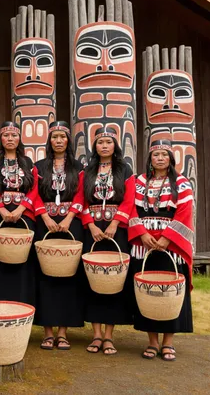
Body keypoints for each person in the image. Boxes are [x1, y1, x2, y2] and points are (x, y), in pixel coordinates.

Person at [129, 139, 194, 361]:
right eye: (155, 155)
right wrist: (142, 234)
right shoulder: (139, 181)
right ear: (150, 158)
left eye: (164, 155)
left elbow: (185, 211)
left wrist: (167, 238)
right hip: (144, 244)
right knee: (147, 291)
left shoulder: (182, 183)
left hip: (171, 246)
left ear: (170, 158)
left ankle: (168, 342)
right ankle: (152, 341)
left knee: (171, 292)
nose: (159, 158)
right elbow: (131, 208)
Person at [82, 127, 135, 355]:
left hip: (116, 230)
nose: (104, 145)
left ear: (115, 145)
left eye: (108, 142)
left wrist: (115, 224)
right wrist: (91, 225)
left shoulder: (125, 169)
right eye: (100, 142)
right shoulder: (87, 171)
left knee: (113, 281)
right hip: (93, 230)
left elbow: (130, 199)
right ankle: (95, 335)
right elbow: (80, 199)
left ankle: (109, 336)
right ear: (94, 146)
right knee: (93, 280)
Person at [34, 121, 86, 350]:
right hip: (44, 223)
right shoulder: (38, 166)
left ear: (68, 141)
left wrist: (68, 218)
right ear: (49, 141)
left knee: (67, 277)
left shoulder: (78, 167)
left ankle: (63, 331)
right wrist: (45, 217)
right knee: (44, 276)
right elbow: (33, 194)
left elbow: (82, 195)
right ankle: (47, 330)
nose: (58, 141)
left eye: (62, 137)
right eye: (54, 137)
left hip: (70, 225)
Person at [0, 121, 39, 306]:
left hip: (22, 218)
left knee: (22, 263)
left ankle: (22, 305)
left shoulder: (27, 162)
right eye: (6, 135)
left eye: (14, 135)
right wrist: (0, 209)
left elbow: (34, 189)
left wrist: (20, 209)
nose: (10, 139)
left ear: (19, 138)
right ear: (1, 139)